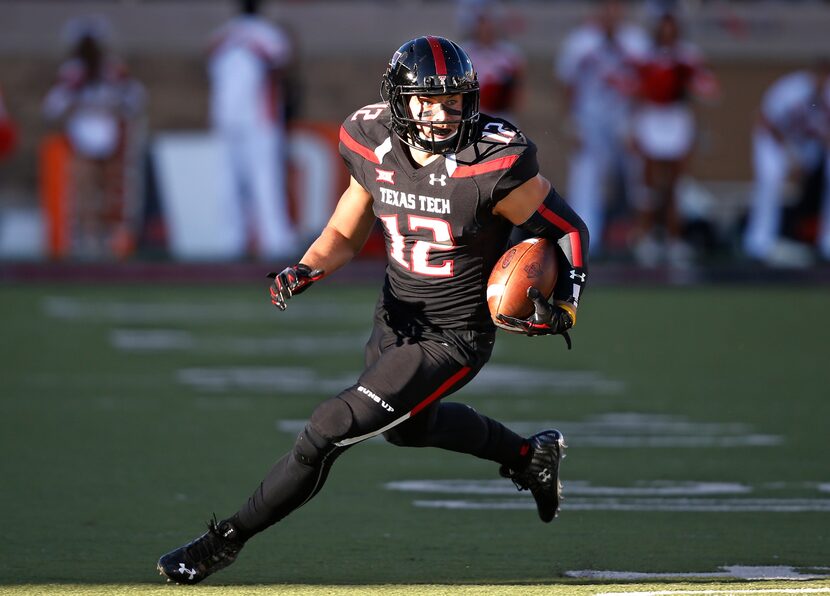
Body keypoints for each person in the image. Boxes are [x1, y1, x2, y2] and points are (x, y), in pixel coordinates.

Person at [157, 36, 589, 585]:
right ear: (398, 100)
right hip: (395, 316)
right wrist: (307, 267)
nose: (442, 114)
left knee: (326, 429)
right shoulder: (371, 141)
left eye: (454, 101)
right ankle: (530, 456)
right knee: (408, 429)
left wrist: (567, 304)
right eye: (427, 100)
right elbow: (344, 228)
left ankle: (222, 542)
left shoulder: (490, 164)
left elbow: (569, 228)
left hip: (452, 337)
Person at [42, 15, 146, 259]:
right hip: (82, 137)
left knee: (110, 189)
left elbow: (137, 97)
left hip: (110, 134)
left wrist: (116, 105)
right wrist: (74, 103)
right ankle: (89, 238)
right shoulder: (72, 73)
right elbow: (52, 106)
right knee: (85, 189)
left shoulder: (112, 70)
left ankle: (111, 238)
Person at [555, 0, 648, 258]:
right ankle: (585, 242)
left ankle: (643, 238)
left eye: (616, 7)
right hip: (590, 119)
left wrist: (637, 122)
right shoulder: (580, 42)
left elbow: (644, 84)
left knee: (639, 177)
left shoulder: (637, 41)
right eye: (606, 7)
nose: (611, 12)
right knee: (585, 177)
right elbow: (567, 84)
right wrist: (572, 123)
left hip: (624, 119)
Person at [207, 0, 298, 260]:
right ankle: (274, 240)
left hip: (227, 117)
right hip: (260, 118)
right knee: (265, 179)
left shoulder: (223, 35)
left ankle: (231, 240)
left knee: (229, 181)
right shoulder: (270, 34)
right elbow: (284, 65)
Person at [628, 10, 719, 268]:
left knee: (676, 184)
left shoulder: (687, 56)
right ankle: (645, 239)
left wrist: (695, 85)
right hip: (651, 117)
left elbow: (708, 88)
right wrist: (633, 128)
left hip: (677, 118)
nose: (667, 35)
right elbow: (636, 90)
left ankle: (673, 239)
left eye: (671, 30)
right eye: (663, 30)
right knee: (648, 184)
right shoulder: (645, 56)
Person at [742, 59, 830, 267]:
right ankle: (759, 242)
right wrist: (793, 159)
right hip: (774, 139)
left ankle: (827, 242)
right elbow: (767, 120)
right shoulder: (790, 90)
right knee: (771, 177)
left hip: (807, 142)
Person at [457, 0, 526, 123]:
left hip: (502, 114)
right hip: (474, 113)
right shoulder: (464, 52)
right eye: (482, 23)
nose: (486, 28)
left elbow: (518, 85)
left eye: (490, 23)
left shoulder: (510, 53)